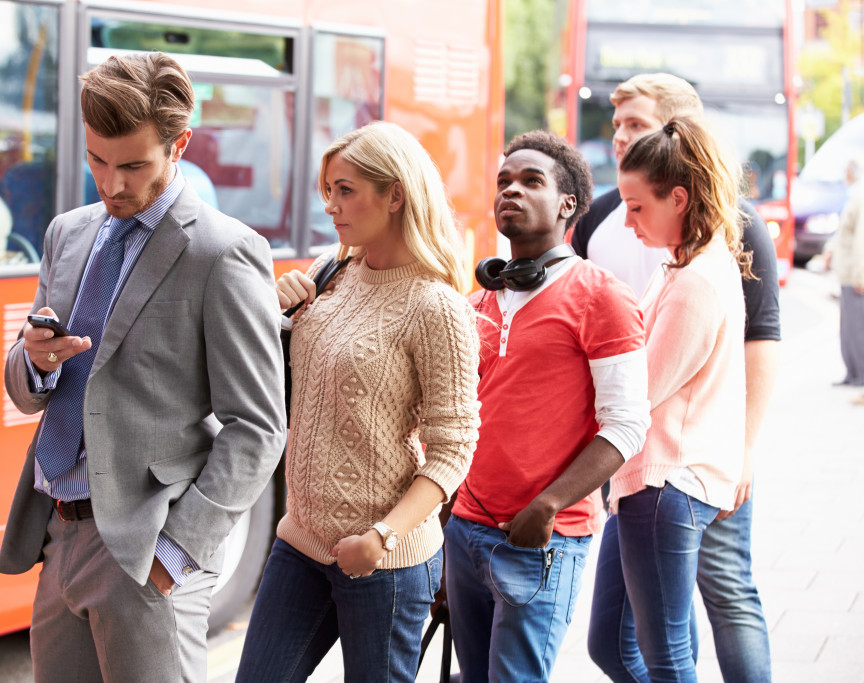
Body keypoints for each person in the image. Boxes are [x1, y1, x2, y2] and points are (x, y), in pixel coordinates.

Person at [0, 53, 287, 682]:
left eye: (133, 165)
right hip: (56, 531)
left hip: (145, 548)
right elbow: (25, 389)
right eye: (97, 160)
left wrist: (176, 554)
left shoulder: (224, 252)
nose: (112, 184)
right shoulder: (66, 234)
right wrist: (36, 361)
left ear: (179, 145)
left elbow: (259, 427)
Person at [235, 121, 481, 683]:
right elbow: (286, 391)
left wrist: (380, 538)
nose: (331, 207)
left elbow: (454, 448)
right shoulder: (334, 271)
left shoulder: (436, 307)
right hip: (301, 540)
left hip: (383, 563)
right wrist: (277, 317)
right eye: (329, 191)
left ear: (394, 194)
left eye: (345, 190)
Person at [574, 73, 780, 683]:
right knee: (621, 645)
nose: (629, 219)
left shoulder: (694, 278)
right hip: (650, 480)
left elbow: (635, 394)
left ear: (679, 198)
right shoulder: (684, 262)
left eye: (639, 207)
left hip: (671, 479)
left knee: (673, 653)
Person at [444, 130, 650, 683]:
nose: (511, 190)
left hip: (540, 537)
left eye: (531, 181)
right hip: (463, 530)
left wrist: (549, 505)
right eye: (503, 181)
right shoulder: (477, 301)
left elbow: (628, 423)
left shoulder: (602, 296)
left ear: (568, 205)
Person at [830, 156, 864, 394]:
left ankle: (859, 373)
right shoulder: (854, 196)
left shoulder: (860, 197)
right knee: (847, 327)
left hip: (855, 276)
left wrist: (861, 276)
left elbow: (861, 241)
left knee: (856, 328)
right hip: (846, 274)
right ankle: (852, 372)